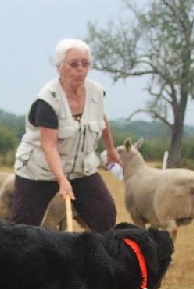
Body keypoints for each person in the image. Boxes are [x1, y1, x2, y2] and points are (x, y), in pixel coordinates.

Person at [11, 38, 122, 232]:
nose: (80, 69)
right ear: (60, 68)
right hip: (39, 170)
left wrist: (111, 150)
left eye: (85, 63)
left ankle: (98, 259)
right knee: (23, 226)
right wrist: (62, 180)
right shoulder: (47, 101)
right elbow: (49, 145)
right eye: (73, 64)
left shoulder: (96, 92)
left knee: (105, 215)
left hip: (81, 169)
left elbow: (101, 119)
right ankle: (18, 261)